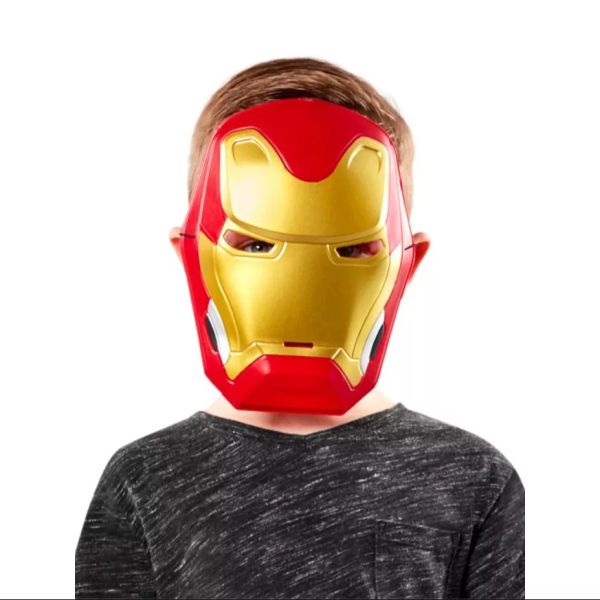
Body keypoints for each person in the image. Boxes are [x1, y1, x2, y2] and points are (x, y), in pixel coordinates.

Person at [75, 58, 525, 599]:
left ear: (408, 262)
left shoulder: (472, 480)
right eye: (255, 244)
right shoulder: (144, 480)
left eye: (352, 249)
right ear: (191, 253)